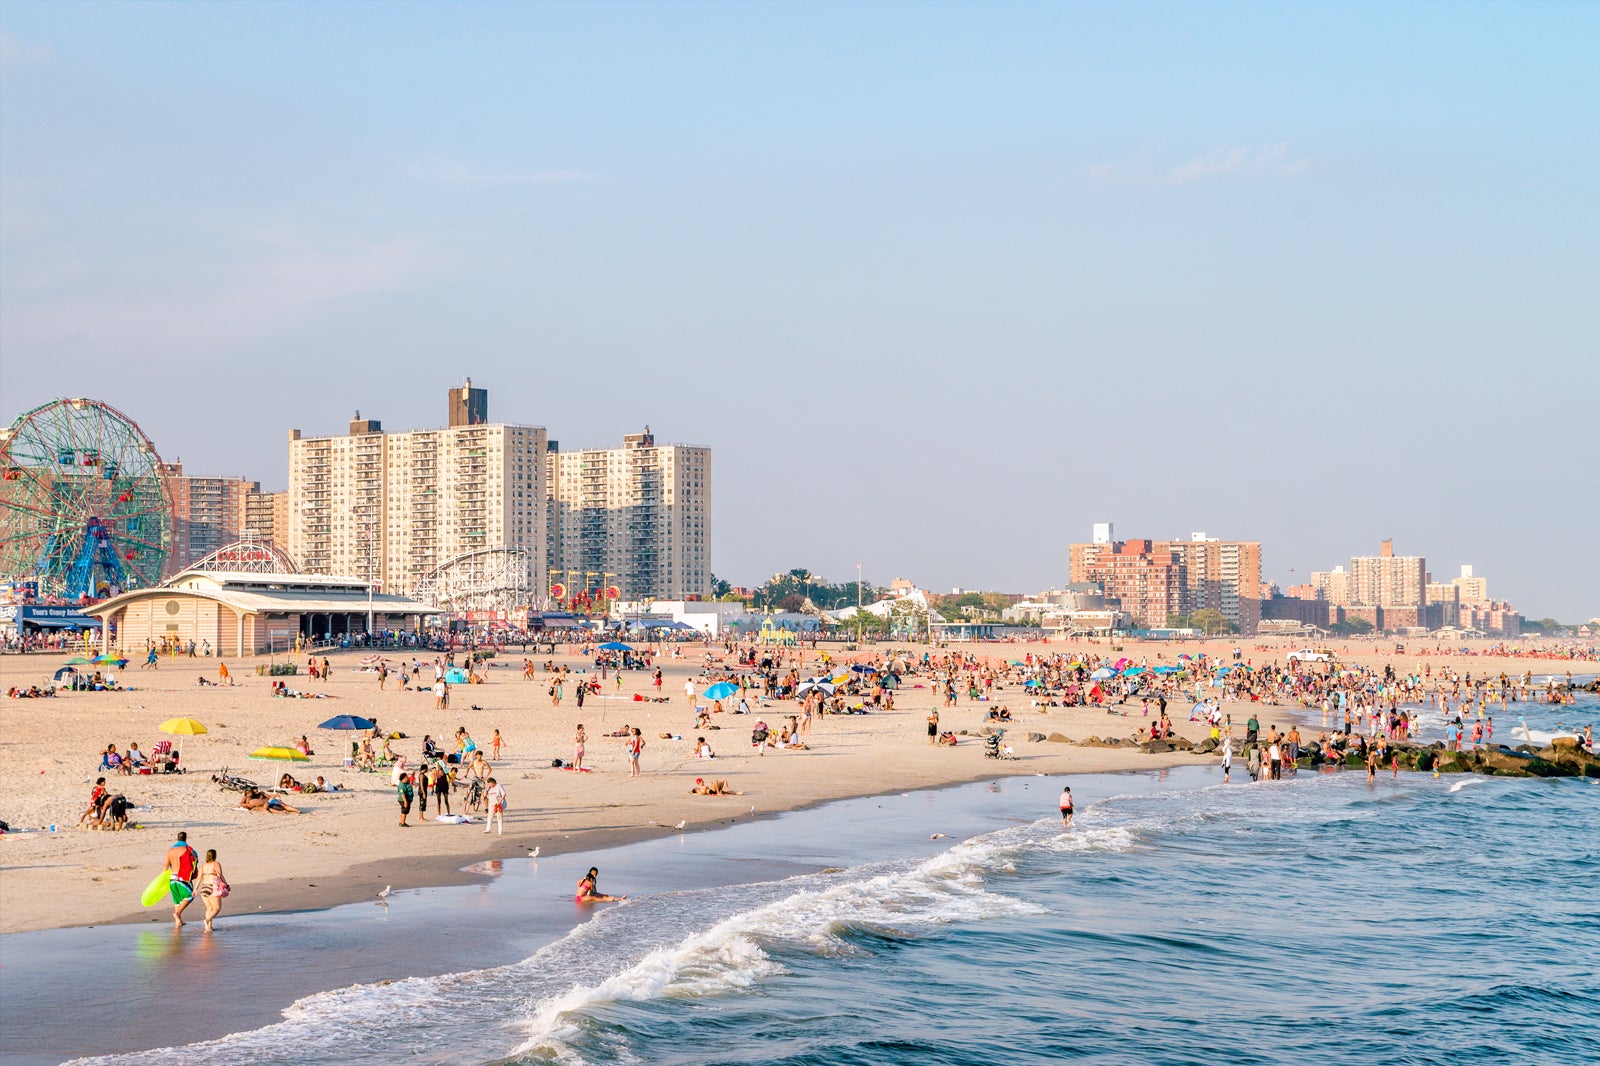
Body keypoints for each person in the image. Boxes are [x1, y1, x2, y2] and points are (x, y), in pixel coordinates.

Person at [164, 831, 199, 927]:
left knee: (177, 900)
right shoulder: (187, 849)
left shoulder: (170, 850)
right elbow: (195, 859)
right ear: (186, 838)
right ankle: (177, 914)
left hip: (172, 879)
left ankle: (178, 921)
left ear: (177, 838)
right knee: (190, 896)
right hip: (182, 878)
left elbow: (165, 868)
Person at [198, 848, 228, 932]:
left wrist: (195, 889)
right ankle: (207, 920)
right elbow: (220, 875)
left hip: (204, 887)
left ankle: (209, 927)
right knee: (217, 908)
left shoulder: (203, 866)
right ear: (215, 855)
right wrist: (226, 885)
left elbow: (199, 878)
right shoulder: (216, 864)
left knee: (209, 908)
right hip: (212, 886)